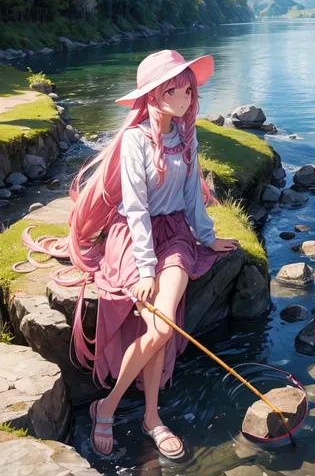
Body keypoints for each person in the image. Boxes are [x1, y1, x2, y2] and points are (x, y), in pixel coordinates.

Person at [23, 49, 239, 460]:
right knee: (158, 322)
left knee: (162, 321)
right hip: (134, 237)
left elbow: (193, 196)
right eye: (177, 89)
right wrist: (144, 269)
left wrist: (207, 237)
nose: (187, 97)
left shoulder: (187, 137)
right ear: (156, 94)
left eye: (189, 89)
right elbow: (136, 208)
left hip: (175, 235)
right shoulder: (135, 141)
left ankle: (123, 410)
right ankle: (140, 414)